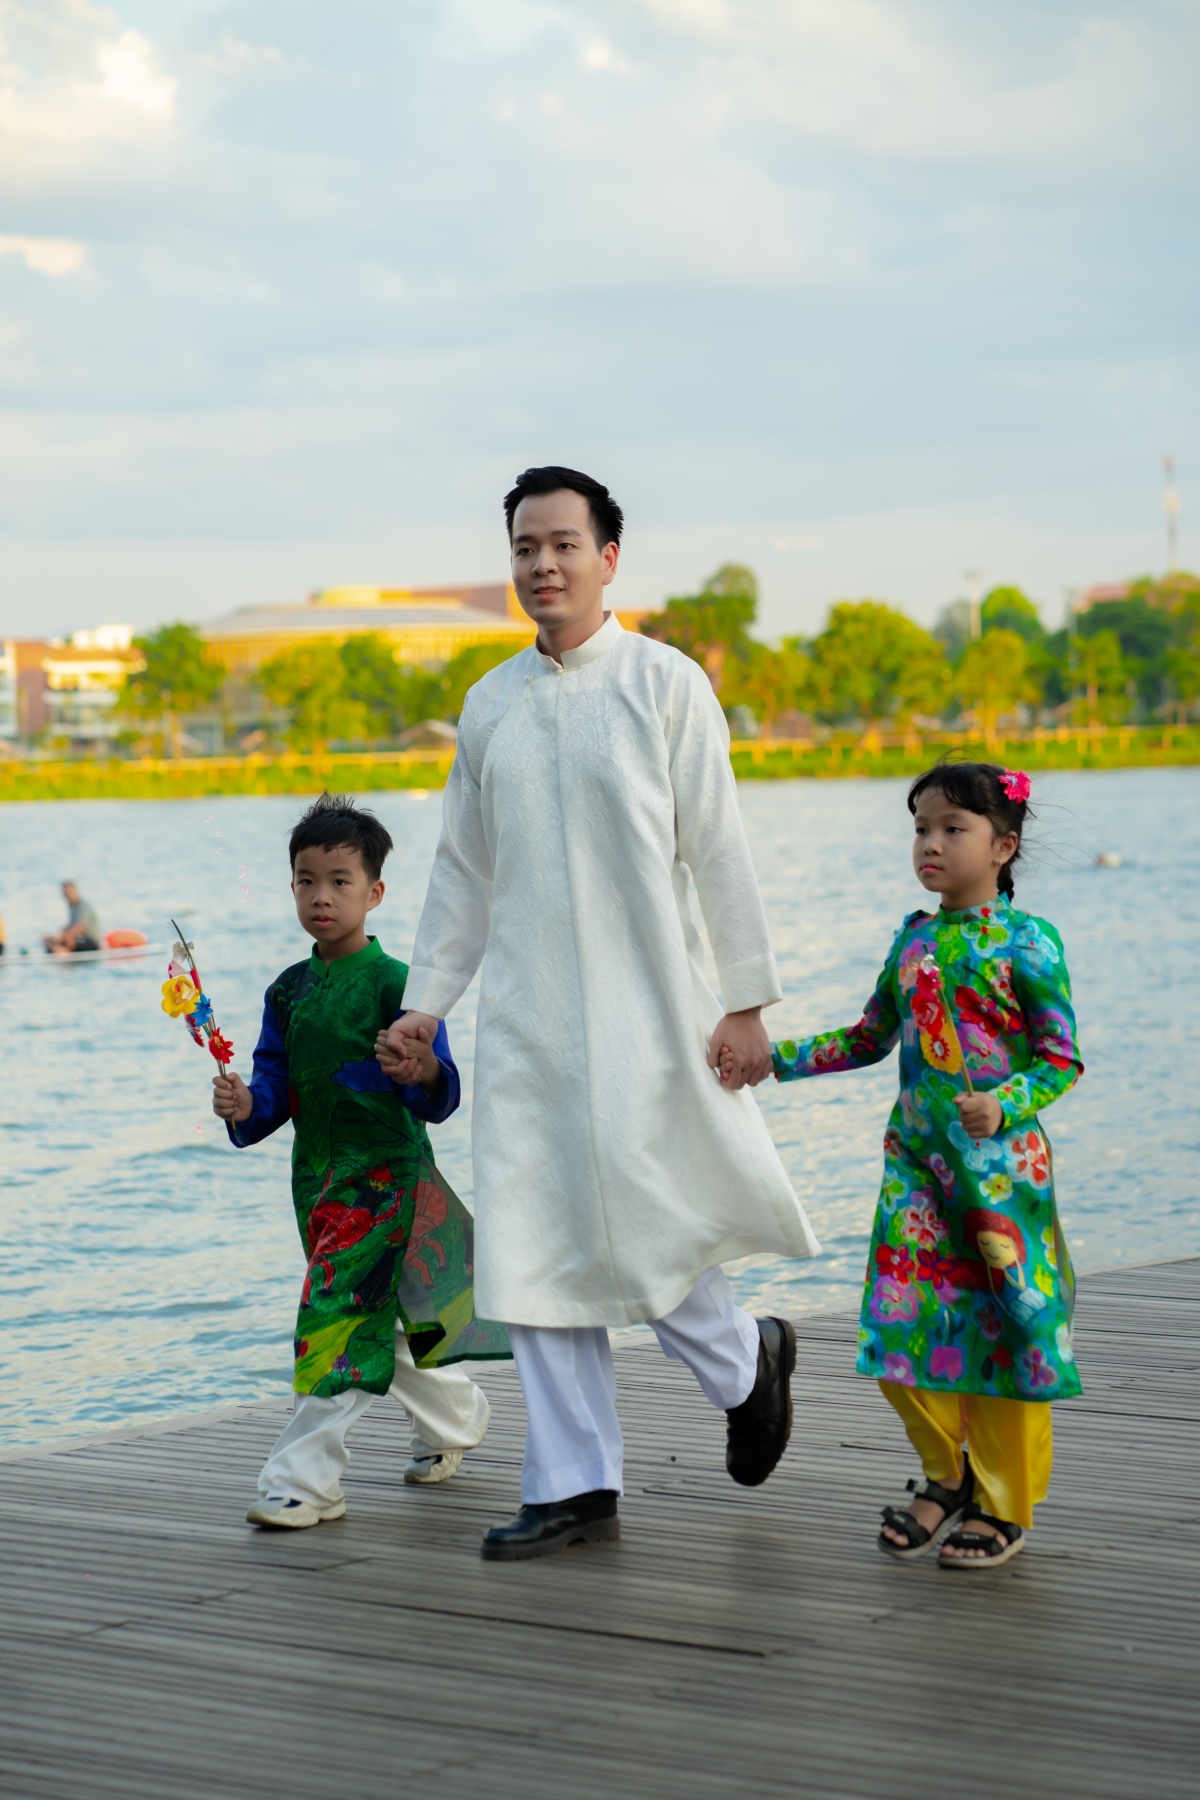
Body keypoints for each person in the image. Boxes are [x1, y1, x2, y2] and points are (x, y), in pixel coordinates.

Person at [386, 465, 820, 1562]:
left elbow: (718, 847)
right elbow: (460, 876)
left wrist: (748, 1003)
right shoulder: (490, 707)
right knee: (532, 1246)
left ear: (609, 556)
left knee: (653, 1215)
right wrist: (427, 1006)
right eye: (526, 547)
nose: (543, 565)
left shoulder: (666, 685)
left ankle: (744, 1359)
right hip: (529, 1021)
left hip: (650, 1007)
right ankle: (574, 1480)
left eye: (564, 544)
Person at [728, 762, 1082, 1570]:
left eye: (953, 828)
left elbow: (1061, 1058)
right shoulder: (914, 939)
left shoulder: (1030, 941)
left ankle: (1004, 1503)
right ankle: (945, 1474)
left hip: (1001, 1182)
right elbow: (866, 1038)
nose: (930, 843)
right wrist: (770, 1061)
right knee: (902, 1324)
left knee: (1005, 1331)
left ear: (1004, 846)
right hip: (918, 1177)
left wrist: (1008, 1101)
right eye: (921, 828)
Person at [212, 793, 509, 1529]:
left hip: (386, 1182)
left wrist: (418, 1073)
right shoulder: (288, 990)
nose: (321, 896)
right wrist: (248, 1106)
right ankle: (455, 1419)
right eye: (306, 880)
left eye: (340, 881)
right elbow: (276, 1088)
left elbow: (442, 1093)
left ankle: (303, 1482)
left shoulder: (401, 985)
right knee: (384, 1317)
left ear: (375, 892)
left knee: (338, 1316)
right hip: (318, 1183)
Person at [44, 881, 101, 954]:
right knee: (47, 938)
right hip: (79, 939)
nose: (68, 896)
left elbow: (81, 927)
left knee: (69, 938)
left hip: (91, 941)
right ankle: (56, 950)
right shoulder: (72, 907)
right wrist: (59, 936)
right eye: (66, 894)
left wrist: (62, 937)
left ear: (75, 890)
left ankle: (63, 954)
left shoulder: (83, 905)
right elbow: (70, 926)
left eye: (70, 893)